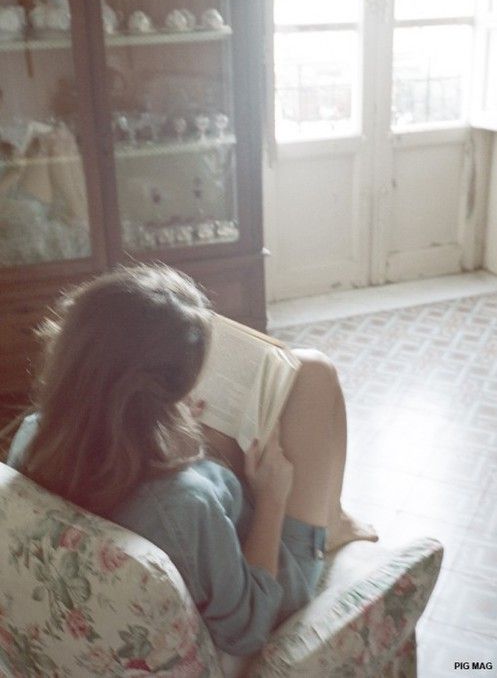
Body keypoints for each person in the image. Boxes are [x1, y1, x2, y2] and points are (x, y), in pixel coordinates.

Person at [7, 263, 377, 657]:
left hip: (181, 532)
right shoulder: (187, 503)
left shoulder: (33, 435)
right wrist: (272, 499)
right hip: (268, 588)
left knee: (294, 377)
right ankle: (331, 525)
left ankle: (333, 516)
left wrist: (167, 425)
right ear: (155, 393)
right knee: (316, 373)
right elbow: (248, 629)